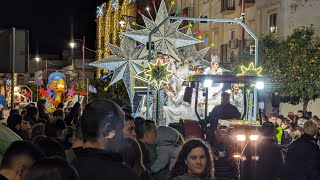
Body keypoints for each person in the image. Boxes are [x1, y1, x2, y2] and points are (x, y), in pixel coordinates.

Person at [72, 99, 139, 180]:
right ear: (107, 130)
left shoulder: (65, 170)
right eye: (120, 128)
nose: (122, 136)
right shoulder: (124, 175)